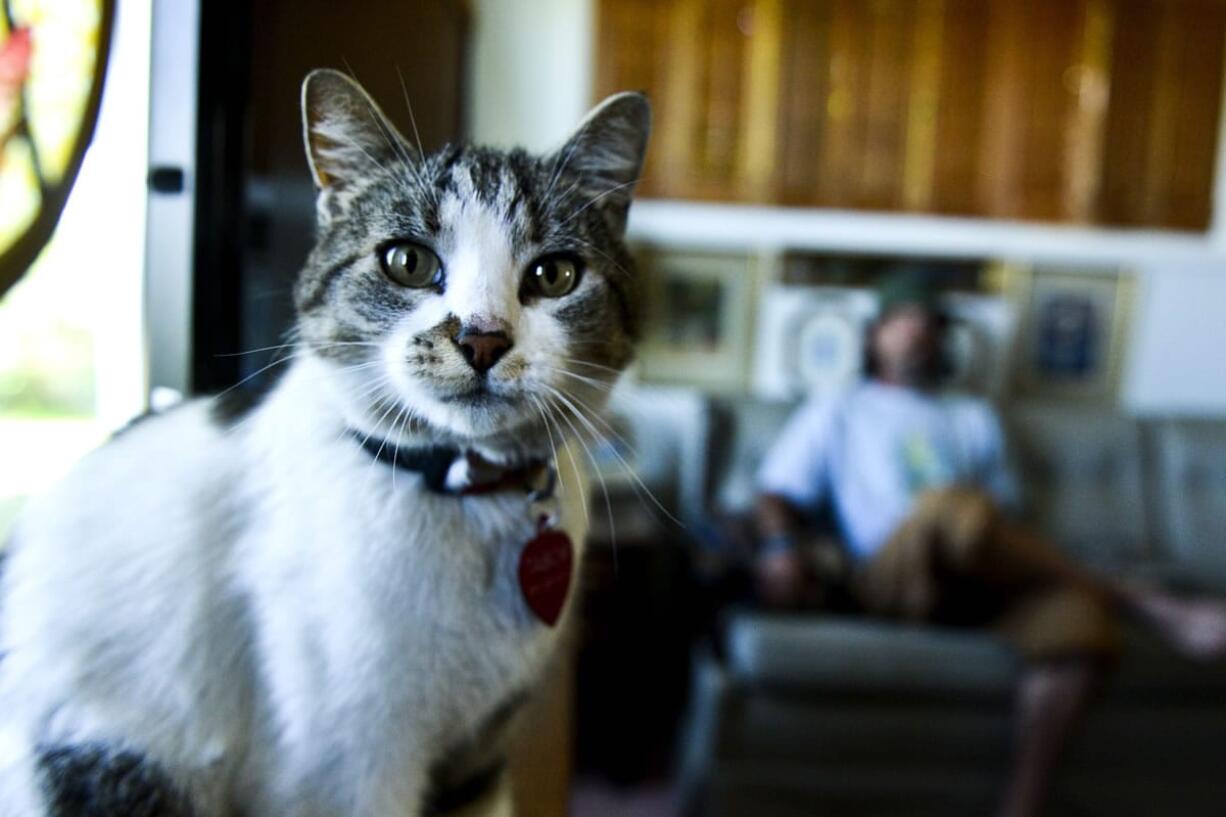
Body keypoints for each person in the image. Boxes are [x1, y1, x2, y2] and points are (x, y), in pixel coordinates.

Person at [754, 274, 1226, 817]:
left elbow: (1002, 521)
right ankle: (1150, 604)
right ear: (874, 336)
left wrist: (982, 532)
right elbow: (774, 493)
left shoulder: (973, 416)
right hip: (892, 575)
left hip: (977, 577)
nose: (917, 333)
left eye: (929, 325)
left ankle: (1022, 803)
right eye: (902, 321)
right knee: (948, 504)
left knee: (1077, 620)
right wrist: (779, 549)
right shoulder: (839, 409)